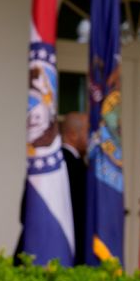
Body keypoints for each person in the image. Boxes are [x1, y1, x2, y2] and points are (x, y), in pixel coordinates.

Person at [60, 112, 88, 266]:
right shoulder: (73, 166)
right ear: (72, 134)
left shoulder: (54, 162)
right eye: (87, 131)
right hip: (70, 250)